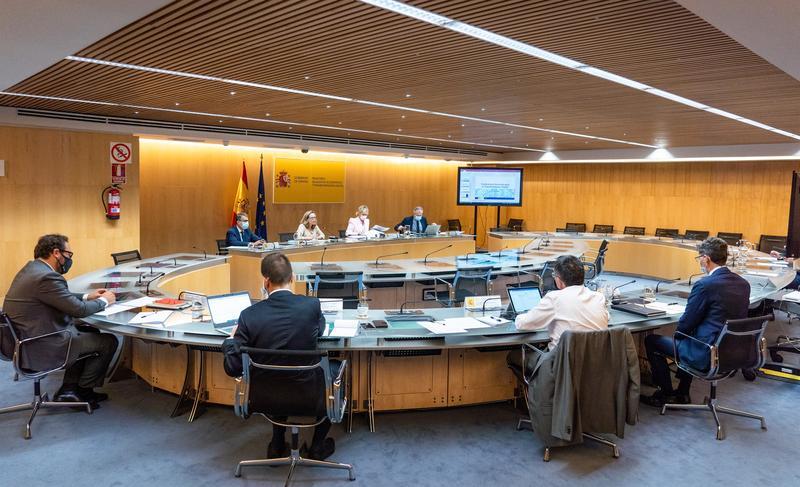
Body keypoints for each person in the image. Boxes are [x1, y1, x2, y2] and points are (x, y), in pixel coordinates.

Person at [222, 253, 337, 461]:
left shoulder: (249, 315)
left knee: (275, 372)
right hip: (309, 394)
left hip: (265, 395)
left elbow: (233, 368)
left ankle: (276, 444)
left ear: (265, 281)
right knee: (335, 369)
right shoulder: (311, 305)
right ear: (292, 278)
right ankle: (317, 447)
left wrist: (230, 341)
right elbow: (320, 330)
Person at [2, 234, 119, 407]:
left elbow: (57, 295)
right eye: (69, 254)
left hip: (22, 342)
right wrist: (104, 300)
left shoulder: (32, 270)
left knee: (88, 331)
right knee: (108, 342)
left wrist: (87, 296)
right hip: (40, 345)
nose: (69, 259)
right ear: (56, 252)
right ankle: (85, 392)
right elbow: (79, 310)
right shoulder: (46, 277)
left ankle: (69, 390)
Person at [641, 237, 750, 407]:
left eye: (699, 258)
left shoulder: (705, 285)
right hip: (733, 352)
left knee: (652, 341)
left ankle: (666, 394)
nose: (699, 261)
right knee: (692, 334)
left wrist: (679, 335)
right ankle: (682, 393)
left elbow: (686, 323)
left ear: (706, 258)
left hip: (707, 352)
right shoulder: (743, 284)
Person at [514, 255, 609, 349]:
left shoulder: (554, 298)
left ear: (559, 280)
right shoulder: (598, 297)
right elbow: (606, 317)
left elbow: (524, 324)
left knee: (519, 354)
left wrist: (519, 316)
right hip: (597, 358)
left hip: (564, 358)